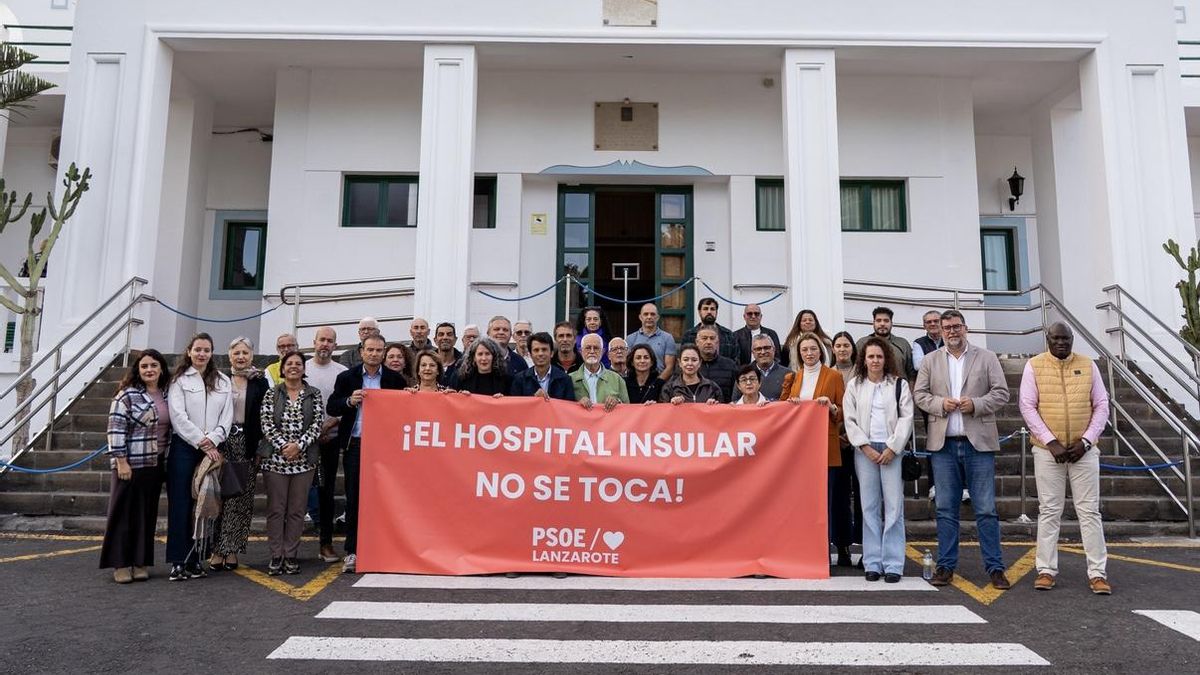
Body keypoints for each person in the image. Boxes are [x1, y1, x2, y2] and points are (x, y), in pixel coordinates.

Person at [914, 309, 1011, 589]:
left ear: (965, 328)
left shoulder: (986, 357)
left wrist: (976, 404)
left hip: (977, 443)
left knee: (986, 509)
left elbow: (1001, 392)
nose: (952, 332)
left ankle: (995, 567)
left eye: (956, 326)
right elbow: (919, 395)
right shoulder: (931, 361)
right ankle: (945, 566)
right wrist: (939, 404)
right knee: (945, 508)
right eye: (947, 328)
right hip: (943, 445)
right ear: (940, 331)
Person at [1019, 322, 1112, 595]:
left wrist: (1086, 441)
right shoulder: (1034, 366)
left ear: (1072, 339)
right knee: (1049, 511)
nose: (1061, 343)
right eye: (1056, 338)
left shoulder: (1088, 365)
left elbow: (1101, 404)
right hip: (1048, 452)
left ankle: (1098, 573)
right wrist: (1050, 441)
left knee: (1089, 512)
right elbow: (1027, 405)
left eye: (1066, 339)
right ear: (1048, 339)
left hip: (1083, 450)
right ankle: (1045, 570)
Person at [327, 334, 407, 573]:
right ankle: (353, 551)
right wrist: (350, 401)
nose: (374, 354)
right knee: (354, 499)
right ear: (361, 351)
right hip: (357, 444)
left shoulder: (395, 379)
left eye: (379, 350)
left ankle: (384, 548)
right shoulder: (346, 377)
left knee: (386, 499)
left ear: (384, 353)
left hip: (385, 448)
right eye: (370, 350)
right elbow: (332, 405)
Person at [843, 337, 914, 583]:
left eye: (879, 356)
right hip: (865, 451)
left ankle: (893, 563)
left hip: (891, 450)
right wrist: (864, 446)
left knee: (894, 507)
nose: (875, 361)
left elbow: (907, 418)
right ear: (864, 359)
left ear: (886, 359)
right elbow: (849, 419)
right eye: (871, 356)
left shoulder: (898, 384)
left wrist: (893, 448)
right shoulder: (854, 385)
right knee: (869, 507)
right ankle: (872, 561)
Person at [166, 333, 233, 581]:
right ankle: (177, 561)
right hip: (185, 448)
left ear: (212, 353)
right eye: (197, 349)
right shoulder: (179, 381)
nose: (202, 354)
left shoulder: (223, 381)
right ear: (189, 351)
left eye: (206, 350)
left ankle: (195, 561)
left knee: (203, 505)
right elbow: (178, 416)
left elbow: (227, 416)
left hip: (212, 448)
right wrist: (200, 440)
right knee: (181, 504)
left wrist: (214, 439)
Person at [101, 349, 171, 584]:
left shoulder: (166, 394)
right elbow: (115, 429)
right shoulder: (127, 395)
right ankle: (121, 563)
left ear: (161, 368)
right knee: (123, 514)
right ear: (138, 370)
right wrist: (121, 461)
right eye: (144, 366)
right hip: (131, 463)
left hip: (155, 463)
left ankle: (140, 562)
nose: (149, 370)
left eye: (153, 365)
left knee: (146, 515)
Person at [780, 332, 848, 566]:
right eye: (804, 350)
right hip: (800, 451)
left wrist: (830, 407)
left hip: (825, 447)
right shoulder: (795, 377)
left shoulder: (834, 376)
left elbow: (844, 412)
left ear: (821, 351)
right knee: (803, 504)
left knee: (825, 504)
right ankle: (803, 550)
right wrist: (791, 404)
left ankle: (823, 554)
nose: (809, 353)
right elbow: (782, 409)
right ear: (799, 354)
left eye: (813, 349)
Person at [259, 351, 324, 576]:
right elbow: (266, 424)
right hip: (276, 461)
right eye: (289, 364)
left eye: (298, 364)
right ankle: (276, 555)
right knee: (276, 510)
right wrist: (284, 447)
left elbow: (317, 424)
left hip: (304, 462)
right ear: (282, 368)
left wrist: (299, 446)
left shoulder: (313, 394)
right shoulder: (271, 393)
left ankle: (290, 555)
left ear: (304, 369)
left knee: (296, 510)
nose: (294, 367)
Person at [209, 336, 269, 571]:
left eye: (245, 353)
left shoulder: (260, 383)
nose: (241, 357)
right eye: (237, 353)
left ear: (252, 356)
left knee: (241, 500)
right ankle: (216, 549)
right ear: (229, 355)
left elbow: (266, 419)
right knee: (219, 497)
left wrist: (261, 450)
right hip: (222, 442)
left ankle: (232, 549)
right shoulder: (219, 380)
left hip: (247, 443)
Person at [303, 326, 347, 564]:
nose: (325, 344)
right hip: (302, 441)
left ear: (335, 345)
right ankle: (286, 548)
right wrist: (311, 431)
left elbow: (346, 404)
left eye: (330, 341)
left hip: (331, 439)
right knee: (297, 492)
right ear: (314, 342)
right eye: (322, 340)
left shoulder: (342, 372)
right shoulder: (303, 368)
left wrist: (329, 425)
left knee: (326, 491)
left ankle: (326, 543)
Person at [831, 330, 864, 560]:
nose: (842, 349)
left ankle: (866, 546)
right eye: (838, 345)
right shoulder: (827, 374)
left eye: (846, 345)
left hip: (861, 443)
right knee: (839, 497)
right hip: (836, 442)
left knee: (864, 497)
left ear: (853, 348)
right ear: (832, 349)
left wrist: (855, 435)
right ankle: (842, 545)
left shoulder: (862, 374)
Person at [912, 309, 945, 502]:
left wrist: (932, 360)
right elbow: (918, 365)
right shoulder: (919, 343)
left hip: (952, 398)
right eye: (929, 322)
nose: (933, 324)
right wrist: (944, 359)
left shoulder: (950, 338)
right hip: (930, 400)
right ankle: (934, 485)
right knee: (934, 443)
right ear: (924, 325)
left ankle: (963, 487)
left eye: (936, 321)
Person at [570, 333, 629, 411]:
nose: (592, 351)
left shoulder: (617, 379)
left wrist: (617, 402)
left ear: (603, 351)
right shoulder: (570, 379)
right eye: (588, 348)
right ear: (581, 351)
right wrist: (577, 404)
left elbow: (627, 410)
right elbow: (563, 408)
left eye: (596, 348)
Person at [510, 332, 575, 400]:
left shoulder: (565, 379)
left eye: (544, 350)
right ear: (530, 355)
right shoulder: (520, 379)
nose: (540, 354)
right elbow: (516, 406)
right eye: (536, 350)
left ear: (552, 353)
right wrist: (534, 399)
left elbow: (568, 407)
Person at [856, 306, 914, 379]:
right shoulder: (862, 343)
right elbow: (856, 370)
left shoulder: (903, 344)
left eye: (886, 321)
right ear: (873, 323)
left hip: (899, 388)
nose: (882, 324)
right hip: (869, 388)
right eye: (878, 320)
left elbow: (911, 374)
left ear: (891, 323)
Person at [625, 302, 677, 379]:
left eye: (652, 314)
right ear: (640, 317)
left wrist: (656, 384)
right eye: (646, 314)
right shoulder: (630, 339)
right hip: (636, 383)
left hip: (660, 383)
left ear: (657, 317)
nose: (649, 317)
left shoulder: (667, 338)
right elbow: (627, 365)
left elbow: (670, 367)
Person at [681, 297, 738, 361]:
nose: (709, 312)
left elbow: (736, 361)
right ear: (700, 312)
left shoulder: (728, 335)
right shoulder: (688, 335)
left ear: (716, 312)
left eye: (712, 309)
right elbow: (684, 359)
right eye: (705, 309)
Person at [695, 325, 737, 403]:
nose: (708, 342)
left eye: (712, 338)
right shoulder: (690, 366)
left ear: (717, 343)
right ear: (697, 342)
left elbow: (737, 394)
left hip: (723, 412)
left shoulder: (730, 366)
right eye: (704, 338)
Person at [751, 334, 788, 400]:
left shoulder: (788, 374)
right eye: (758, 349)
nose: (763, 352)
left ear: (774, 349)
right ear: (753, 352)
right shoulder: (744, 375)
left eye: (767, 348)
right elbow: (736, 403)